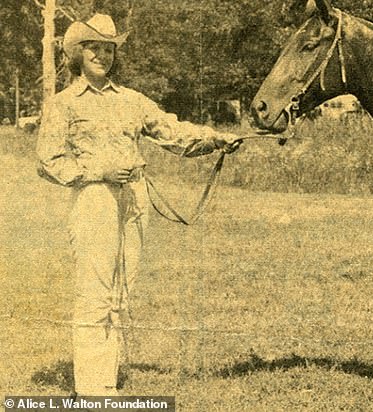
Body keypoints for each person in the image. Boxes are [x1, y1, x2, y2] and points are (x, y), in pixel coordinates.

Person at [36, 13, 240, 397]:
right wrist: (97, 171)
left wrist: (215, 138)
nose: (102, 55)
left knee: (121, 290)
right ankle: (94, 390)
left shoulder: (132, 100)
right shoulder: (63, 103)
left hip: (135, 198)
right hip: (95, 198)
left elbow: (171, 131)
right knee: (94, 291)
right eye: (93, 47)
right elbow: (48, 159)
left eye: (109, 48)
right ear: (78, 54)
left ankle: (106, 379)